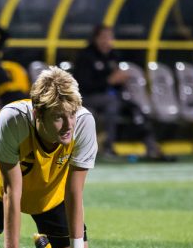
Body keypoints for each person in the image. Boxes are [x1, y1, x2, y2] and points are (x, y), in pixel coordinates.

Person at [0, 67, 105, 248]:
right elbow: (11, 191)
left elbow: (74, 192)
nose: (68, 125)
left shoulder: (83, 122)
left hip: (50, 194)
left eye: (71, 114)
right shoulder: (12, 119)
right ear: (38, 113)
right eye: (58, 117)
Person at [71, 24, 171, 161]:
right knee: (112, 104)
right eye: (103, 37)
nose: (107, 41)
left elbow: (116, 84)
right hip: (87, 98)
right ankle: (108, 147)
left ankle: (152, 147)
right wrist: (109, 81)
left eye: (110, 37)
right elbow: (83, 85)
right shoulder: (86, 56)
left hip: (111, 98)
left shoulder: (113, 56)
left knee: (135, 107)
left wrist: (121, 82)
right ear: (95, 39)